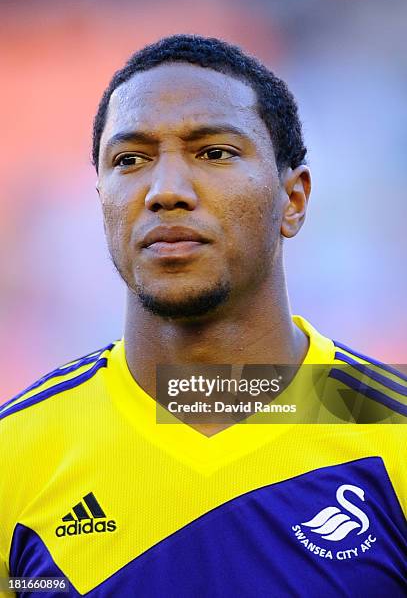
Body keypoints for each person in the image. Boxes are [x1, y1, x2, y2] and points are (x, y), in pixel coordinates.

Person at [0, 35, 405, 597]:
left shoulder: (392, 434)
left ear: (294, 200)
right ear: (101, 198)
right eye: (130, 160)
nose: (165, 191)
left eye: (214, 152)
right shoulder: (15, 453)